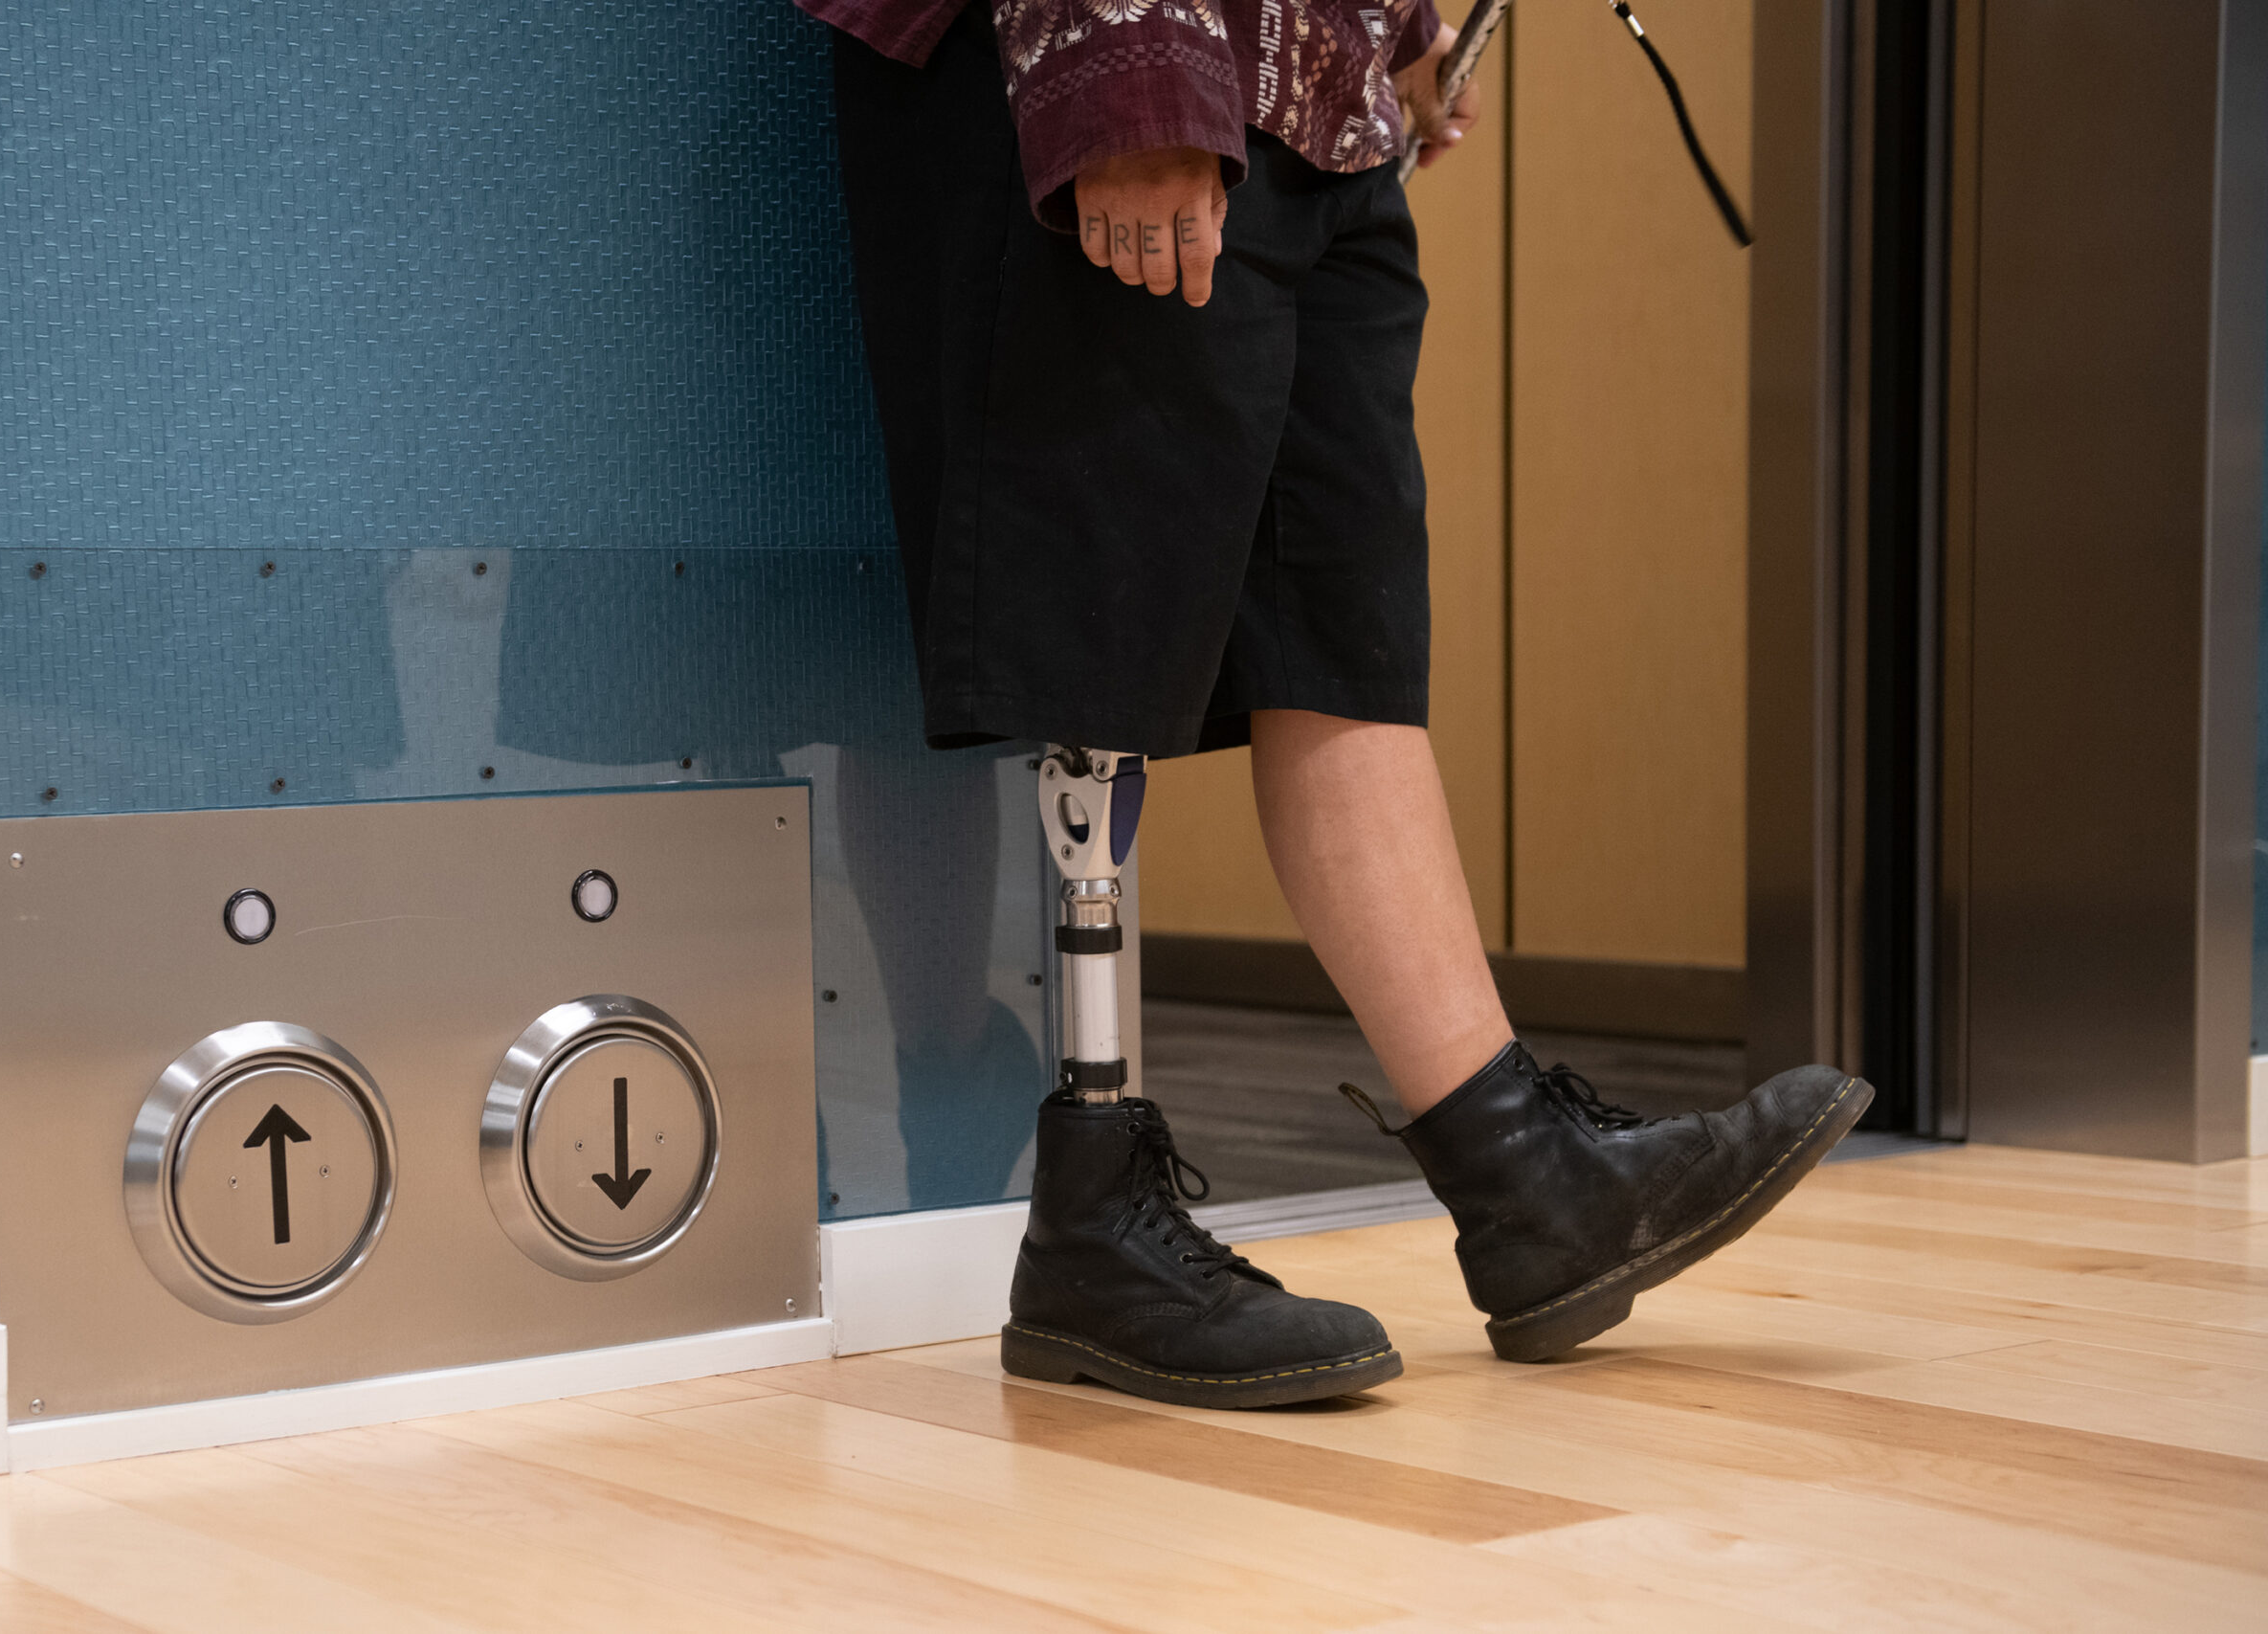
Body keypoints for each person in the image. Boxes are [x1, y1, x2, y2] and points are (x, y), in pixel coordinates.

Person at [801, 0, 1874, 1406]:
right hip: (1109, 56)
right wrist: (1128, 69)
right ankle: (1092, 1221)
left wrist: (1393, 28)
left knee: (1338, 640)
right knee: (1092, 637)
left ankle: (1525, 1183)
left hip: (1308, 82)